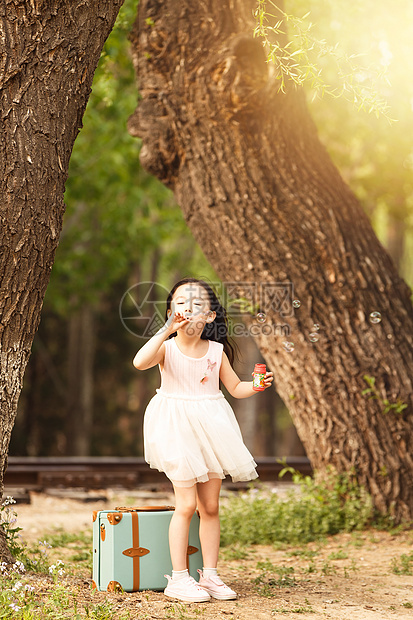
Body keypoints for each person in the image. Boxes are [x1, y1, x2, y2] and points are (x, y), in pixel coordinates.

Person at [133, 278, 273, 603]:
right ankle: (178, 579)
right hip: (175, 426)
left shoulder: (216, 351)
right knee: (186, 505)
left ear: (209, 317)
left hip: (211, 428)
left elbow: (235, 389)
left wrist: (256, 385)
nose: (188, 308)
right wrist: (166, 329)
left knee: (210, 507)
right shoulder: (165, 347)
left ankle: (209, 576)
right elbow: (140, 362)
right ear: (171, 312)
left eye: (197, 303)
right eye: (181, 302)